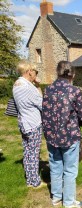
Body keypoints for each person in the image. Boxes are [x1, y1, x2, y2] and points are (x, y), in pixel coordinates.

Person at [42, 61, 82, 208]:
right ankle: (68, 202)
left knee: (55, 167)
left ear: (57, 72)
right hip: (70, 136)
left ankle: (56, 198)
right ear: (72, 74)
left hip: (51, 136)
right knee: (70, 170)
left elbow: (45, 113)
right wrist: (80, 124)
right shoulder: (74, 91)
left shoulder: (47, 90)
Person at [12, 60, 45, 188]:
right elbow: (42, 104)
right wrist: (38, 86)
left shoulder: (17, 84)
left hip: (23, 122)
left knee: (27, 152)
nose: (36, 73)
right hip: (32, 123)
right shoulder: (28, 87)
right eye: (35, 71)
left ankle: (29, 180)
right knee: (33, 153)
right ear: (29, 71)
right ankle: (35, 182)